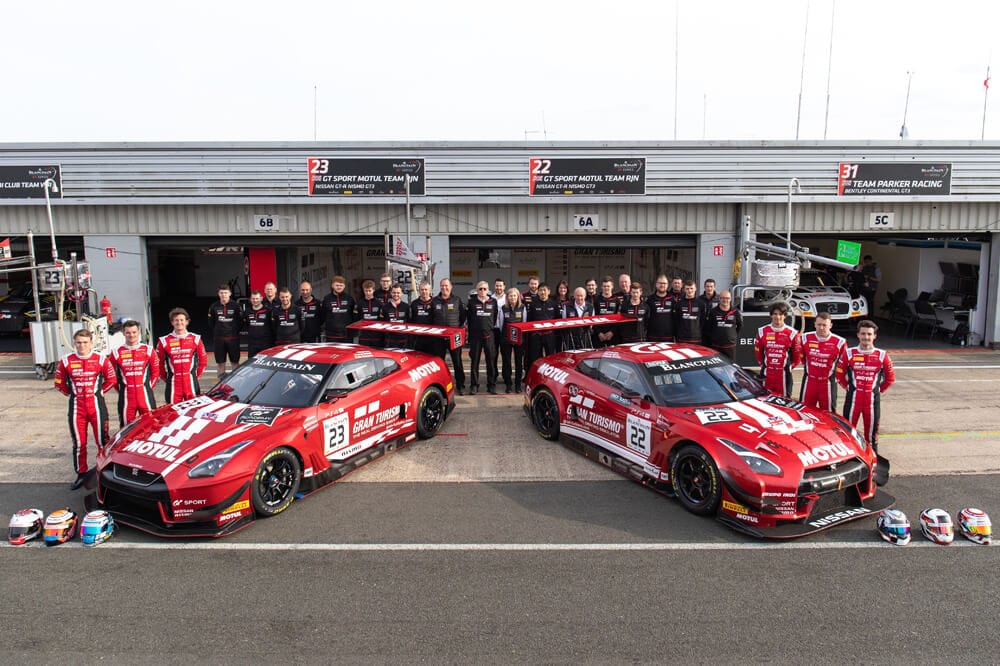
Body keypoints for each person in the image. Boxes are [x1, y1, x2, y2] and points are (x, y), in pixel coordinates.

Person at [54, 328, 117, 490]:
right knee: (79, 443)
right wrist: (73, 395)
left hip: (97, 406)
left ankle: (105, 473)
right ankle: (81, 474)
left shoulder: (101, 358)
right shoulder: (66, 360)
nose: (82, 346)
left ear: (91, 343)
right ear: (74, 343)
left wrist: (100, 392)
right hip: (77, 407)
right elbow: (59, 384)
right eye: (78, 342)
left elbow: (111, 379)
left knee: (102, 441)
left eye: (85, 342)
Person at [836, 319, 895, 451]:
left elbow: (890, 379)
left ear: (875, 336)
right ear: (858, 335)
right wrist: (850, 389)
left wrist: (878, 390)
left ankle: (873, 463)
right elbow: (839, 375)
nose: (866, 337)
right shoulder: (849, 353)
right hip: (852, 401)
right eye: (863, 334)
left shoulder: (882, 355)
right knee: (847, 434)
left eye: (869, 334)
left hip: (872, 403)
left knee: (871, 437)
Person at [109, 319, 159, 427]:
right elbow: (112, 376)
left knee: (151, 426)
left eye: (134, 332)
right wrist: (123, 389)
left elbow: (155, 373)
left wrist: (148, 386)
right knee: (126, 429)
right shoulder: (116, 352)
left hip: (145, 396)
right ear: (123, 333)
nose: (131, 335)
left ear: (139, 332)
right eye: (128, 332)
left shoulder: (149, 350)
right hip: (126, 397)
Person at [156, 307, 208, 404]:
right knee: (173, 412)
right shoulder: (163, 340)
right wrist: (167, 378)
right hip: (173, 384)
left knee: (194, 412)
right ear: (172, 322)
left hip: (191, 383)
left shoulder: (195, 338)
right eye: (176, 320)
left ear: (187, 321)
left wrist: (196, 376)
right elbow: (159, 364)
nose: (179, 323)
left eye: (181, 320)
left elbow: (203, 361)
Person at [799, 312, 847, 412]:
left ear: (830, 325)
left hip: (827, 383)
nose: (821, 327)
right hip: (809, 382)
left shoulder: (840, 342)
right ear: (815, 324)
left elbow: (844, 364)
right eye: (819, 324)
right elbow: (802, 358)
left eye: (824, 325)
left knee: (828, 415)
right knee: (804, 411)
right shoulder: (805, 338)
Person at [754, 302, 802, 397]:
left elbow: (797, 357)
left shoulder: (792, 333)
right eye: (775, 314)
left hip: (784, 375)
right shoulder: (762, 331)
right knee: (765, 402)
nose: (777, 317)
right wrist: (765, 366)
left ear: (785, 316)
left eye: (780, 314)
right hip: (766, 374)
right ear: (771, 315)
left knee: (784, 404)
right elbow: (758, 352)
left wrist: (788, 368)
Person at [432, 278, 467, 395]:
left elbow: (462, 317)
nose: (444, 288)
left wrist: (455, 328)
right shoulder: (434, 301)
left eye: (446, 286)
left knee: (457, 362)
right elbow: (431, 318)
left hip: (454, 337)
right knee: (439, 363)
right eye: (442, 286)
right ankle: (440, 384)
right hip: (438, 338)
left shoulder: (457, 300)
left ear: (451, 287)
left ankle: (460, 384)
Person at [467, 281, 499, 394]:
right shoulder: (471, 302)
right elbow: (469, 319)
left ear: (488, 290)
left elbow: (495, 317)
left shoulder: (493, 302)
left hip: (489, 336)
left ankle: (491, 385)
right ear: (476, 290)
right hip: (475, 337)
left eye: (485, 289)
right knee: (474, 362)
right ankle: (474, 385)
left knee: (490, 361)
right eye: (480, 289)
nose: (482, 291)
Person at [498, 288, 528, 392]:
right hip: (506, 339)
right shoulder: (503, 308)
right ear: (507, 297)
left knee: (518, 362)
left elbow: (524, 323)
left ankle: (518, 384)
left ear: (518, 297)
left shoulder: (523, 308)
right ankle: (508, 384)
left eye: (515, 296)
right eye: (510, 296)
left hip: (519, 339)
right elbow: (501, 325)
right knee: (506, 362)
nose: (513, 298)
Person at [207, 284, 240, 377]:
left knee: (235, 362)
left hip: (233, 339)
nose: (223, 295)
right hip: (219, 339)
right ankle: (221, 384)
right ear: (218, 294)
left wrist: (233, 331)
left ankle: (236, 383)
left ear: (230, 293)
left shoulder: (236, 306)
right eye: (221, 293)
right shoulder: (213, 306)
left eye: (225, 293)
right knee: (220, 363)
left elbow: (240, 322)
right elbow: (211, 323)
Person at [526, 282, 561, 368]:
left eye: (544, 290)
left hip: (550, 335)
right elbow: (529, 320)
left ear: (549, 291)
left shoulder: (554, 303)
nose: (542, 292)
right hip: (536, 335)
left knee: (551, 357)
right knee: (535, 359)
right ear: (538, 292)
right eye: (540, 290)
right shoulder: (533, 304)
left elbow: (558, 319)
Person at [704, 290, 742, 359]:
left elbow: (739, 325)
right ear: (719, 299)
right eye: (723, 298)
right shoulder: (713, 312)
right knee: (715, 368)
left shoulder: (735, 312)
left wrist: (732, 336)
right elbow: (708, 328)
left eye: (727, 298)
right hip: (716, 347)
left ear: (730, 299)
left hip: (730, 347)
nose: (725, 300)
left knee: (730, 367)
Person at [320, 275, 357, 343]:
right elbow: (322, 315)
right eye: (337, 285)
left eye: (341, 285)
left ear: (344, 286)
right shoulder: (327, 299)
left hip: (346, 335)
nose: (339, 287)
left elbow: (354, 316)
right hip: (331, 336)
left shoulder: (349, 299)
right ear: (332, 285)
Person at [242, 290, 274, 358]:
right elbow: (247, 325)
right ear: (250, 299)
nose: (255, 300)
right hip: (252, 343)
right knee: (252, 364)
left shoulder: (268, 311)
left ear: (261, 298)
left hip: (265, 343)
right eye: (253, 299)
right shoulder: (247, 311)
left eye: (257, 298)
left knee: (265, 364)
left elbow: (272, 326)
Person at [674, 280, 707, 345]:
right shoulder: (679, 304)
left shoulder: (701, 304)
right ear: (684, 290)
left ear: (695, 289)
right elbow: (676, 321)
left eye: (691, 288)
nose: (689, 291)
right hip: (681, 338)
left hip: (696, 338)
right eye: (687, 288)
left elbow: (703, 321)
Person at [409, 280, 437, 355]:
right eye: (422, 290)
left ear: (430, 290)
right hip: (418, 338)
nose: (424, 292)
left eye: (426, 289)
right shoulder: (414, 304)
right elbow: (410, 320)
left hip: (432, 338)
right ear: (419, 290)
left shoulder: (435, 302)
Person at [562, 286, 595, 350]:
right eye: (577, 296)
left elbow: (592, 324)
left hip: (585, 338)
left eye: (581, 296)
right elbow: (564, 322)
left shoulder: (590, 307)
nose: (579, 298)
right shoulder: (567, 306)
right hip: (571, 339)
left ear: (585, 296)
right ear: (574, 296)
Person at [355, 279, 385, 348]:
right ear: (363, 290)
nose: (368, 293)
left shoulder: (379, 303)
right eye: (366, 291)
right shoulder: (359, 303)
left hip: (377, 336)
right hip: (364, 336)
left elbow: (382, 319)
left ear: (373, 290)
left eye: (370, 291)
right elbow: (356, 319)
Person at [646, 275, 676, 343]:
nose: (662, 285)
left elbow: (676, 318)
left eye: (664, 283)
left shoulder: (672, 299)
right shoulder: (650, 299)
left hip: (668, 337)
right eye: (660, 283)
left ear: (668, 285)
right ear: (656, 284)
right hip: (652, 337)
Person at [379, 283, 410, 348]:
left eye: (398, 293)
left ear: (401, 293)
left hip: (403, 340)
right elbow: (381, 323)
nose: (396, 294)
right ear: (391, 293)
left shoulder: (406, 307)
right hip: (389, 340)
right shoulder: (385, 307)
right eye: (394, 292)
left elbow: (409, 322)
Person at [592, 276, 619, 348]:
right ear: (601, 287)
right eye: (604, 286)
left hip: (613, 336)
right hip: (599, 336)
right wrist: (599, 333)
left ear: (612, 286)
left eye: (608, 286)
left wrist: (612, 332)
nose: (606, 288)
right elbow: (593, 318)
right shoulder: (596, 300)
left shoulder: (617, 300)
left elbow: (619, 319)